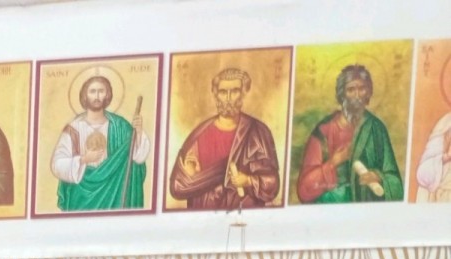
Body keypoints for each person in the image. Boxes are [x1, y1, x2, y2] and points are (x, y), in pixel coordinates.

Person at [168, 68, 280, 210]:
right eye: (222, 92)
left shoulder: (258, 132)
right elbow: (178, 187)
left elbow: (273, 184)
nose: (228, 98)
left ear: (243, 93)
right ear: (215, 95)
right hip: (203, 217)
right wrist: (190, 176)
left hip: (243, 215)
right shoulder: (200, 134)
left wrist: (249, 180)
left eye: (234, 91)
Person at [298, 65, 403, 204]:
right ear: (342, 94)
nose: (357, 95)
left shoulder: (376, 128)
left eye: (362, 88)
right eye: (351, 89)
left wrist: (378, 177)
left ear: (368, 92)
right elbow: (304, 189)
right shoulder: (325, 130)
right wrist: (334, 162)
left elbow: (396, 183)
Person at [52, 74, 150, 212]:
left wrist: (138, 132)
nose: (97, 96)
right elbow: (57, 164)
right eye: (92, 91)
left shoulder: (120, 126)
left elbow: (137, 158)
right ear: (85, 95)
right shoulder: (73, 129)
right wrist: (84, 159)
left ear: (107, 95)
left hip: (115, 194)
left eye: (101, 91)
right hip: (81, 197)